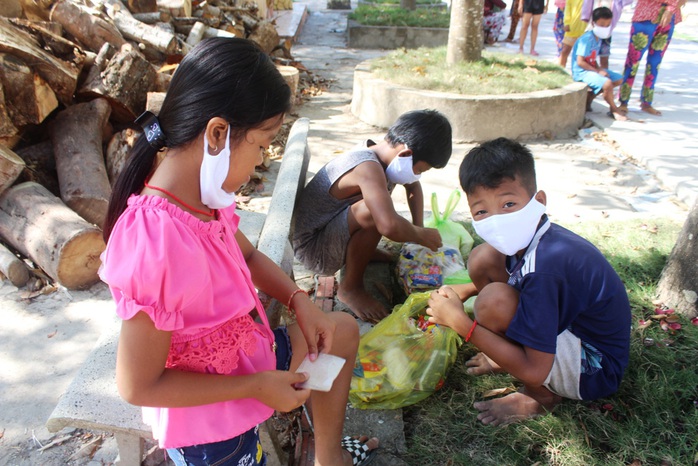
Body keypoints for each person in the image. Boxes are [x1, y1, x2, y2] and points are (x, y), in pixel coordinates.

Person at [99, 37, 378, 466]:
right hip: (211, 432)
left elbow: (246, 257)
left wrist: (300, 301)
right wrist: (255, 387)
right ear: (217, 134)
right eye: (263, 144)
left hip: (249, 364)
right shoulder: (157, 242)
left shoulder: (203, 200)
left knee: (338, 330)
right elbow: (139, 385)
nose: (262, 160)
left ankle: (328, 457)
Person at [425, 137, 631, 426]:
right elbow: (507, 270)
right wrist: (466, 289)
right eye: (482, 211)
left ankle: (541, 397)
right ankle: (511, 350)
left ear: (539, 201)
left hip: (594, 368)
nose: (497, 220)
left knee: (493, 303)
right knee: (484, 258)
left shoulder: (545, 269)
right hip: (572, 329)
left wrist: (461, 323)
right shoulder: (538, 237)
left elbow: (535, 369)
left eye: (508, 203)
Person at [292, 110, 452, 324]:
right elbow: (388, 226)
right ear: (406, 154)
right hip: (314, 251)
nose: (418, 175)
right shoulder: (368, 168)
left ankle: (362, 251)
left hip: (327, 230)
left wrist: (418, 226)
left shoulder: (382, 154)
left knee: (379, 210)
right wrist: (420, 235)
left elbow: (413, 185)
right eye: (421, 169)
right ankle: (350, 289)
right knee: (374, 212)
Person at [618, 0, 686, 116]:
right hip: (646, 16)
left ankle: (647, 102)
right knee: (633, 61)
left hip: (668, 20)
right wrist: (672, 4)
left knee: (655, 63)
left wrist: (671, 8)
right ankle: (623, 101)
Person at [571, 6, 628, 120]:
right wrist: (598, 71)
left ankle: (589, 98)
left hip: (591, 69)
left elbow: (592, 59)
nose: (605, 27)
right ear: (594, 23)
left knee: (618, 79)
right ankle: (613, 109)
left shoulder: (599, 38)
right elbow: (580, 62)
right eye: (602, 24)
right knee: (607, 84)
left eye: (607, 25)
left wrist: (599, 69)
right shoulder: (586, 39)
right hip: (581, 72)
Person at [580, 0, 633, 70]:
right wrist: (585, 16)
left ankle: (604, 76)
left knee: (604, 58)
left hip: (606, 31)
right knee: (587, 57)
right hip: (593, 27)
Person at [558, 0, 586, 68]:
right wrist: (567, 22)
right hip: (572, 27)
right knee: (565, 51)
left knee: (582, 55)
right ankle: (561, 70)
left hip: (585, 28)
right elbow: (568, 8)